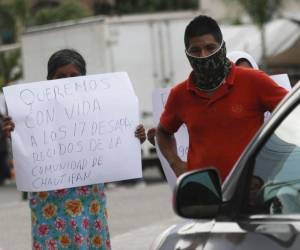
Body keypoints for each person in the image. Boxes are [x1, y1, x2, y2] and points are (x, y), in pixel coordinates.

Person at [3, 49, 146, 249]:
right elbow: (24, 152)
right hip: (49, 209)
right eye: (60, 76)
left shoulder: (99, 109)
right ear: (48, 80)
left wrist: (132, 137)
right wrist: (13, 135)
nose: (67, 81)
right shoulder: (31, 113)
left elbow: (115, 145)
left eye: (73, 76)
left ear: (84, 79)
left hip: (90, 204)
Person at [156, 15, 288, 181]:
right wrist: (176, 164)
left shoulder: (254, 81)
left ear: (222, 47)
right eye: (195, 50)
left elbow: (292, 115)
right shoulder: (180, 94)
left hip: (250, 192)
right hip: (205, 194)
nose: (204, 55)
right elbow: (163, 132)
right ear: (187, 54)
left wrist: (275, 165)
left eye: (210, 48)